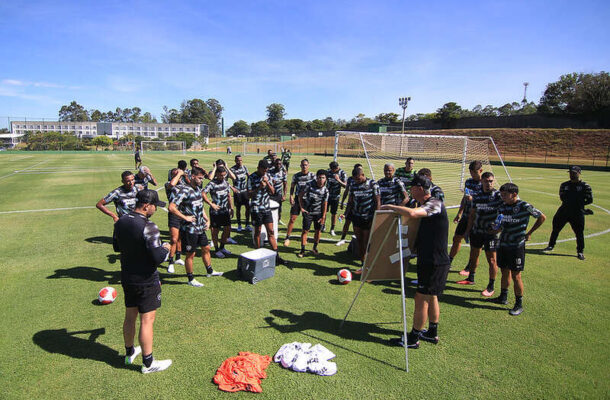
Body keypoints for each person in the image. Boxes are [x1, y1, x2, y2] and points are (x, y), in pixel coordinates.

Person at [382, 174, 451, 348]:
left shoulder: (434, 203)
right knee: (432, 295)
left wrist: (391, 206)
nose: (410, 191)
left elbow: (412, 214)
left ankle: (413, 339)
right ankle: (432, 332)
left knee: (421, 298)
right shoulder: (425, 204)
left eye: (411, 188)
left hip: (434, 261)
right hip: (431, 259)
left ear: (420, 188)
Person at [112, 189, 172, 373]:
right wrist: (166, 248)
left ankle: (129, 352)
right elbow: (157, 257)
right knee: (147, 320)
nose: (155, 209)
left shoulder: (121, 220)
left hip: (127, 277)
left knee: (130, 316)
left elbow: (116, 246)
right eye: (154, 206)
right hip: (146, 280)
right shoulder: (149, 226)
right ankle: (148, 363)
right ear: (146, 206)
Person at [493, 183, 546, 315]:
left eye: (505, 195)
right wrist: (494, 229)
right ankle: (503, 297)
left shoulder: (524, 206)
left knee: (516, 275)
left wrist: (529, 233)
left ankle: (519, 304)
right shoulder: (502, 207)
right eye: (501, 194)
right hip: (503, 244)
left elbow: (541, 217)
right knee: (504, 271)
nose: (502, 197)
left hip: (516, 246)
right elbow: (500, 226)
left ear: (514, 194)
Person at [169, 166, 222, 288]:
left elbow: (199, 206)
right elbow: (171, 207)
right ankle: (190, 278)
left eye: (202, 178)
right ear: (193, 177)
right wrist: (185, 218)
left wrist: (206, 219)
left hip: (200, 227)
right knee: (190, 254)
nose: (201, 180)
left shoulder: (198, 189)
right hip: (189, 229)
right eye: (199, 178)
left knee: (206, 248)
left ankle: (210, 271)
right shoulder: (184, 191)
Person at [457, 172, 503, 298]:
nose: (489, 183)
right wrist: (467, 231)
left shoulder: (499, 196)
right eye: (486, 181)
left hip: (491, 234)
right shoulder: (476, 196)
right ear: (481, 181)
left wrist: (499, 228)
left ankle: (491, 286)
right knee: (474, 254)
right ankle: (471, 278)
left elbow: (506, 212)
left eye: (491, 181)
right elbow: (472, 214)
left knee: (492, 260)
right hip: (477, 231)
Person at [544, 166, 593, 260]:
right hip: (564, 211)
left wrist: (579, 205)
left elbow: (590, 200)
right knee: (555, 229)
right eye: (570, 173)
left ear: (579, 173)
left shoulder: (585, 186)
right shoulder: (564, 185)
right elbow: (562, 197)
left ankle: (580, 251)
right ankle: (550, 245)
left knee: (579, 233)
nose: (571, 175)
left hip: (577, 212)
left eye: (574, 173)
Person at [247, 160, 286, 265]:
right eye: (264, 169)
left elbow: (273, 192)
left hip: (266, 209)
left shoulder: (268, 175)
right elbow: (249, 195)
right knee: (258, 232)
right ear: (258, 167)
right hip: (256, 209)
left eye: (266, 169)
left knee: (271, 232)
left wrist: (268, 183)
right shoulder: (251, 177)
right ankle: (258, 254)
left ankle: (276, 256)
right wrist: (259, 187)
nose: (265, 171)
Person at [450, 161, 484, 274]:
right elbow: (465, 198)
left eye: (474, 173)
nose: (472, 175)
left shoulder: (485, 183)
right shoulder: (468, 182)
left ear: (481, 171)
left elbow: (486, 202)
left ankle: (470, 266)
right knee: (456, 238)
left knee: (474, 245)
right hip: (465, 216)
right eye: (471, 172)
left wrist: (473, 199)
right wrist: (459, 213)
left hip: (477, 218)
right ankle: (448, 261)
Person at [345, 167, 380, 271]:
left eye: (358, 179)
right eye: (355, 179)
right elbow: (350, 201)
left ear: (363, 175)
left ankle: (370, 263)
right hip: (357, 217)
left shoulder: (373, 184)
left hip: (368, 217)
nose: (357, 181)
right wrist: (346, 213)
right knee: (359, 241)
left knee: (367, 241)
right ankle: (363, 263)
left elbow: (378, 201)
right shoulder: (353, 185)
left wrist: (377, 215)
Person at [203, 166, 234, 259]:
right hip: (215, 211)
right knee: (215, 231)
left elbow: (229, 195)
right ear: (216, 174)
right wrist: (210, 204)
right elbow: (203, 193)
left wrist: (231, 207)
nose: (222, 177)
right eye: (221, 176)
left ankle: (222, 247)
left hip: (224, 211)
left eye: (224, 176)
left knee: (227, 229)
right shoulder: (212, 184)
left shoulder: (226, 183)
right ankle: (216, 250)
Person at [297, 169, 329, 257]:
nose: (321, 180)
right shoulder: (309, 185)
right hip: (308, 212)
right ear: (316, 177)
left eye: (323, 178)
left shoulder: (325, 190)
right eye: (319, 177)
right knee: (305, 231)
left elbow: (325, 204)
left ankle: (314, 248)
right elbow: (300, 195)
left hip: (318, 213)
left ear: (325, 179)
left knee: (318, 231)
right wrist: (302, 208)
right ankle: (302, 250)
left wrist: (323, 216)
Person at [284, 159, 315, 246]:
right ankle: (287, 237)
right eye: (302, 165)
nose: (304, 166)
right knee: (292, 219)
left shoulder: (313, 176)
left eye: (306, 165)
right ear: (300, 166)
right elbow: (292, 187)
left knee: (306, 220)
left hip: (308, 201)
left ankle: (304, 238)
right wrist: (290, 195)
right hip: (298, 199)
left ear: (308, 165)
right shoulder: (296, 176)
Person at [164, 169, 186, 273]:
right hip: (174, 214)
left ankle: (178, 257)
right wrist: (179, 173)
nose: (178, 176)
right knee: (174, 239)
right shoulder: (168, 184)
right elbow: (172, 183)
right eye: (175, 174)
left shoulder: (183, 185)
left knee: (180, 237)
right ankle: (171, 262)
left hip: (184, 214)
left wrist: (184, 176)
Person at [336, 163, 363, 246]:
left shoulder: (366, 181)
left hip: (361, 208)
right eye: (358, 169)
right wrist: (343, 201)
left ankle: (358, 242)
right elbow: (346, 190)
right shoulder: (351, 179)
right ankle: (342, 239)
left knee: (358, 226)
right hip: (351, 206)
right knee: (347, 223)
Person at [230, 154, 251, 231]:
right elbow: (225, 180)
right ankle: (239, 225)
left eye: (241, 160)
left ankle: (247, 224)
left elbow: (249, 177)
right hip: (237, 192)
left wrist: (249, 188)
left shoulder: (244, 167)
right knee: (238, 209)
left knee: (248, 208)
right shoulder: (232, 169)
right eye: (238, 160)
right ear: (235, 161)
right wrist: (232, 188)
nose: (239, 162)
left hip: (245, 191)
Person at [326, 161, 347, 236]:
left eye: (333, 169)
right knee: (324, 211)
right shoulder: (328, 172)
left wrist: (338, 180)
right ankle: (323, 226)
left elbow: (345, 185)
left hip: (336, 196)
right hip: (327, 195)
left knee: (334, 213)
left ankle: (332, 229)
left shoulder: (342, 173)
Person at [270, 158, 288, 225]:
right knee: (270, 209)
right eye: (277, 164)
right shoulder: (269, 172)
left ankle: (278, 220)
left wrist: (284, 195)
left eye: (280, 164)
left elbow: (285, 185)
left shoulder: (283, 173)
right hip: (270, 194)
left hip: (278, 194)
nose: (278, 165)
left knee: (279, 209)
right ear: (274, 164)